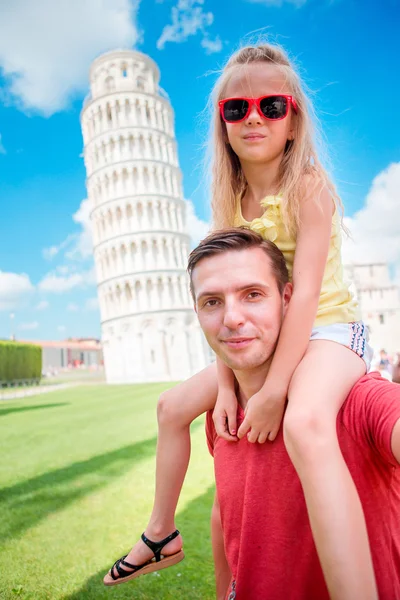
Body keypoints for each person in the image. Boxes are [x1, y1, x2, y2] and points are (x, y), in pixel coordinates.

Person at [104, 42, 376, 599]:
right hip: (268, 341)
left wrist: (274, 390)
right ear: (223, 123)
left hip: (328, 331)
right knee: (172, 407)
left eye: (271, 106)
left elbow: (302, 301)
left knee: (304, 424)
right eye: (237, 108)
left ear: (294, 120)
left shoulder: (309, 187)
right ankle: (160, 534)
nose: (254, 117)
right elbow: (226, 306)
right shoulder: (229, 201)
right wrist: (226, 385)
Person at [187, 228, 400, 600]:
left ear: (288, 299)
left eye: (253, 295)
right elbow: (229, 515)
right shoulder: (221, 417)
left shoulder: (355, 401)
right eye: (212, 302)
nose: (232, 318)